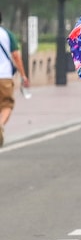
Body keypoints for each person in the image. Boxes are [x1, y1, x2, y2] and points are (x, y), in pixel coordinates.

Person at [0, 12, 30, 147]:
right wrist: (23, 75)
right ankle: (0, 124)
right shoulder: (7, 34)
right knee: (7, 104)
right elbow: (16, 56)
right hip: (4, 77)